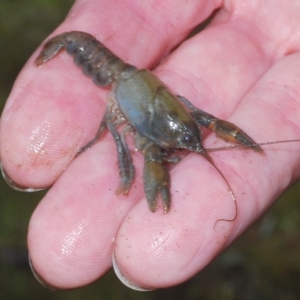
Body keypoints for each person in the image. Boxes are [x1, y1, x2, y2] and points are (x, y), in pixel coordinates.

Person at [1, 0, 300, 291]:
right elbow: (136, 138)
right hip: (111, 69)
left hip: (138, 84)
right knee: (134, 145)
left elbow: (197, 118)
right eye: (189, 139)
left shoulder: (186, 117)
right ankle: (67, 43)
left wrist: (188, 135)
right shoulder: (133, 119)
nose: (194, 140)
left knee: (188, 130)